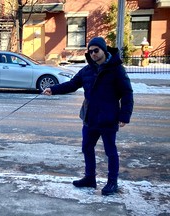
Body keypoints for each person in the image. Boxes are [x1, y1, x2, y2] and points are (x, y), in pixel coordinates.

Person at [43, 37, 134, 195]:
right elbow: (72, 84)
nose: (93, 54)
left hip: (108, 118)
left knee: (110, 151)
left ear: (103, 50)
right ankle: (90, 178)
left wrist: (124, 115)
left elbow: (127, 93)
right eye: (90, 51)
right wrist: (54, 89)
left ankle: (112, 182)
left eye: (96, 50)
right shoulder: (87, 70)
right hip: (90, 118)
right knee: (87, 148)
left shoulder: (116, 69)